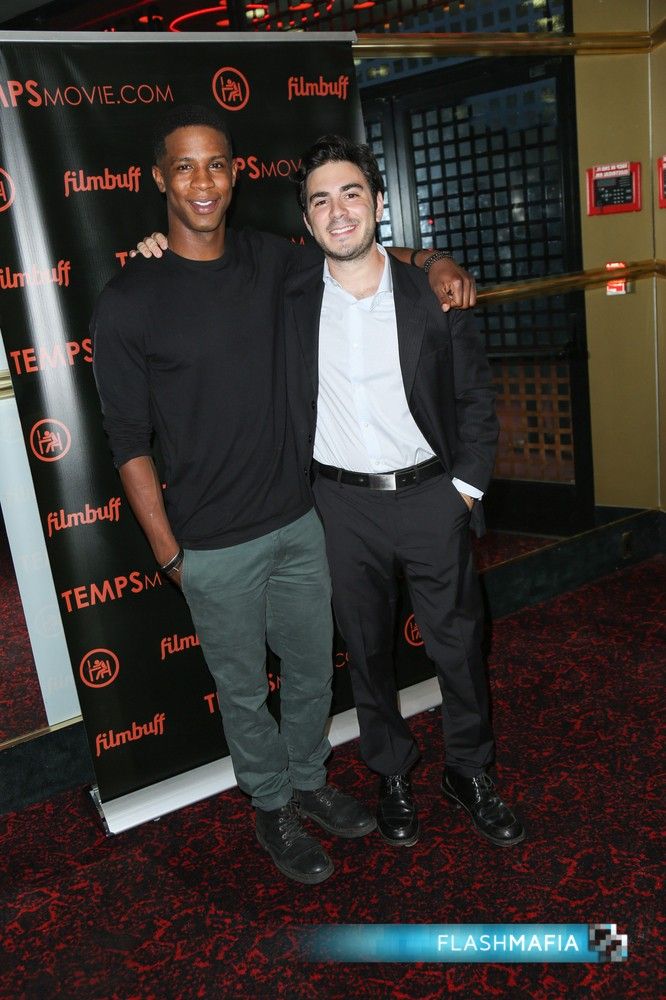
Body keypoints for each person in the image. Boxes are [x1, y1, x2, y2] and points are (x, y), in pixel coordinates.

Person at [92, 105, 476, 885]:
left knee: (310, 676)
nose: (202, 181)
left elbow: (358, 252)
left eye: (216, 164)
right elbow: (127, 442)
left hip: (302, 523)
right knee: (242, 693)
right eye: (185, 167)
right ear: (160, 179)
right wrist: (169, 553)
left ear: (235, 175)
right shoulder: (129, 298)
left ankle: (308, 782)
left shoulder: (272, 261)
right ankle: (271, 805)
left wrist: (435, 260)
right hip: (209, 543)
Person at [286, 135, 525, 849]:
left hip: (431, 498)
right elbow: (208, 258)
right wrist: (152, 247)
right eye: (321, 200)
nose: (338, 211)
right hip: (339, 507)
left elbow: (476, 400)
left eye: (351, 193)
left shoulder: (433, 293)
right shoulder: (290, 300)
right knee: (366, 653)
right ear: (306, 219)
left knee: (459, 646)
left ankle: (469, 771)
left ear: (379, 202)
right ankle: (391, 772)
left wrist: (463, 492)